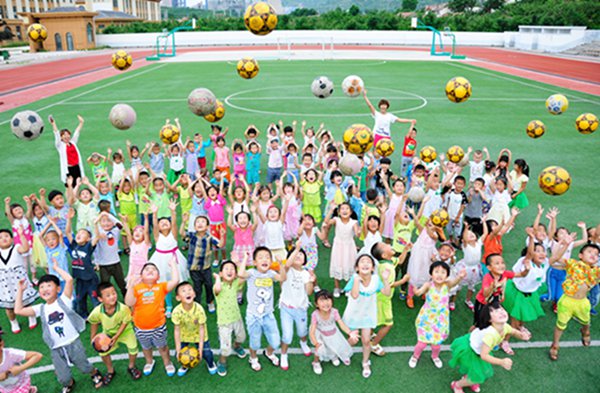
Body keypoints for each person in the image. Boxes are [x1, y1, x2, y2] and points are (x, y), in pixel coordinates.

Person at [15, 261, 104, 391]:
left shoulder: (64, 301)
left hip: (73, 342)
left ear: (58, 289)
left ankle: (94, 372)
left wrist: (56, 268)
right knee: (63, 377)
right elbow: (18, 310)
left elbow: (68, 280)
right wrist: (20, 291)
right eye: (42, 287)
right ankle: (69, 383)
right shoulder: (41, 308)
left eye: (49, 286)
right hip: (56, 348)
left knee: (84, 366)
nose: (45, 289)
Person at [448, 302, 531, 393]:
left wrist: (521, 335)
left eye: (501, 309)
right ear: (489, 319)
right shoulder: (490, 335)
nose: (501, 312)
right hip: (470, 351)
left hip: (478, 350)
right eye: (495, 311)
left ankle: (468, 378)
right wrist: (501, 362)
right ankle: (457, 385)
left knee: (477, 372)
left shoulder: (504, 326)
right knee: (478, 377)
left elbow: (513, 331)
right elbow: (484, 356)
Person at [125, 259, 179, 377]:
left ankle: (167, 362)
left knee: (163, 347)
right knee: (146, 347)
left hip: (158, 326)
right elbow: (129, 302)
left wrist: (173, 265)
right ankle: (149, 361)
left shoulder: (161, 287)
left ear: (158, 276)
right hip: (141, 328)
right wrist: (130, 286)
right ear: (141, 276)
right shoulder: (136, 288)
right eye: (147, 269)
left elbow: (175, 281)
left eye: (154, 269)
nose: (150, 270)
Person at [343, 254, 392, 378]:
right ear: (357, 268)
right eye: (362, 262)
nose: (365, 264)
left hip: (368, 315)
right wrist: (356, 281)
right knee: (353, 340)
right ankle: (343, 352)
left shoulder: (376, 279)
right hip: (354, 314)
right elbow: (354, 295)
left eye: (368, 262)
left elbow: (386, 293)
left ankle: (365, 362)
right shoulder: (354, 278)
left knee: (366, 341)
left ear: (372, 268)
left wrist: (386, 279)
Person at [409, 261, 466, 369]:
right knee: (421, 343)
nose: (439, 275)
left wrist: (460, 277)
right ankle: (415, 356)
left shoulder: (447, 285)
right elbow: (419, 292)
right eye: (436, 272)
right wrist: (415, 290)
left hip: (440, 320)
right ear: (431, 274)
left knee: (436, 345)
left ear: (447, 275)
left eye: (443, 272)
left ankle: (435, 356)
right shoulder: (428, 285)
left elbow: (454, 282)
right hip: (427, 319)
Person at [549, 243, 600, 361]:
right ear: (580, 255)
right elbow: (555, 259)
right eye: (590, 252)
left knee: (586, 321)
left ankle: (585, 331)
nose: (594, 255)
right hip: (567, 301)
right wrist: (566, 244)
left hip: (582, 302)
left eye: (597, 254)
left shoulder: (596, 271)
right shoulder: (573, 264)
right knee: (560, 325)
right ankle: (555, 345)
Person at [237, 247, 282, 371]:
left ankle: (269, 352)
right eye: (260, 257)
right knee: (255, 341)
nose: (264, 259)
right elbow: (240, 274)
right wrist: (245, 259)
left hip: (268, 314)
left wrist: (280, 264)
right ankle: (253, 358)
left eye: (267, 257)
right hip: (253, 316)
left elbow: (283, 278)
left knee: (276, 341)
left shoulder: (271, 274)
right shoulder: (251, 273)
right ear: (255, 262)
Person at [88, 282, 142, 384]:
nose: (113, 296)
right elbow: (93, 322)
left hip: (126, 332)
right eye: (108, 295)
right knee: (103, 352)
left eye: (114, 293)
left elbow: (125, 323)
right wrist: (93, 338)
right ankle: (110, 371)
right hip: (108, 334)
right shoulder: (97, 311)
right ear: (100, 299)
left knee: (133, 348)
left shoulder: (123, 308)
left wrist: (116, 336)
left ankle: (131, 367)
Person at [369, 242, 410, 356]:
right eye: (385, 246)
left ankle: (369, 335)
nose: (388, 244)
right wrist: (403, 280)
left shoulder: (389, 261)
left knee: (375, 320)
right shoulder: (386, 268)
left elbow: (400, 260)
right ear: (384, 255)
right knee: (388, 324)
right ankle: (374, 344)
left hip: (380, 298)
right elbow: (390, 285)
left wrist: (405, 249)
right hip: (383, 300)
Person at [149, 200, 188, 316]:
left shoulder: (173, 234)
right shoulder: (157, 236)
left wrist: (173, 212)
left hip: (174, 260)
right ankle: (169, 305)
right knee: (165, 283)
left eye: (167, 222)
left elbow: (175, 224)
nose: (165, 223)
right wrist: (155, 214)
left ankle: (184, 302)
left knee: (179, 280)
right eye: (162, 223)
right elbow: (154, 226)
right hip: (161, 260)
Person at [279, 246, 315, 370]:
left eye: (301, 254)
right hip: (286, 308)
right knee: (287, 335)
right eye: (296, 254)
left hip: (301, 309)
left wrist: (311, 280)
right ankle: (283, 355)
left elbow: (309, 292)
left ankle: (303, 342)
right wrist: (296, 248)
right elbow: (287, 264)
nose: (298, 255)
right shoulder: (287, 270)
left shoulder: (305, 273)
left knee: (302, 331)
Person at [172, 282, 217, 376]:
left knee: (207, 353)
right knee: (182, 354)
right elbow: (176, 330)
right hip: (184, 335)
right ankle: (185, 365)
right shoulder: (176, 311)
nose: (187, 292)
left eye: (190, 290)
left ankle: (210, 363)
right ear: (178, 298)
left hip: (198, 335)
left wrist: (200, 349)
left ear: (194, 294)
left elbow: (201, 329)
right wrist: (178, 348)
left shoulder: (199, 309)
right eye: (183, 291)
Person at [309, 290, 358, 375]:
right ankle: (316, 362)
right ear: (316, 304)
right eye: (322, 300)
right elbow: (312, 331)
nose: (326, 303)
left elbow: (341, 324)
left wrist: (350, 333)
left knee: (335, 344)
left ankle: (333, 356)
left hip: (333, 333)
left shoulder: (334, 312)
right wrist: (316, 343)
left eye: (328, 300)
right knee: (320, 350)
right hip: (320, 334)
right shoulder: (315, 315)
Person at [213, 259, 248, 377]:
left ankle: (236, 346)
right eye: (226, 269)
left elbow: (242, 275)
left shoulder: (235, 284)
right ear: (221, 273)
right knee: (225, 348)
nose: (230, 271)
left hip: (237, 318)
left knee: (241, 337)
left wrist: (244, 259)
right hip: (224, 323)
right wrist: (217, 278)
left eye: (232, 269)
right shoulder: (219, 286)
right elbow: (217, 290)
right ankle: (222, 361)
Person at [363, 89, 416, 166]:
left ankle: (383, 167)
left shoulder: (390, 116)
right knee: (376, 153)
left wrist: (410, 120)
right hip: (377, 135)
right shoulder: (377, 114)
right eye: (382, 105)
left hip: (386, 137)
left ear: (387, 106)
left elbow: (399, 119)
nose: (383, 106)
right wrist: (365, 96)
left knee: (385, 153)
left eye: (385, 105)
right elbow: (370, 106)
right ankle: (374, 165)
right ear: (380, 106)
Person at [0, 228, 38, 334]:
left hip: (19, 282)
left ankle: (31, 316)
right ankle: (13, 322)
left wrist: (21, 235)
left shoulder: (16, 248)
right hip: (6, 285)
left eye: (6, 236)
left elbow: (25, 248)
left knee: (26, 302)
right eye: (1, 237)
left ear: (12, 239)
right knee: (9, 307)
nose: (3, 239)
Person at [184, 215, 225, 314]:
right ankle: (197, 304)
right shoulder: (192, 235)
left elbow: (220, 245)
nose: (200, 223)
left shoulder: (210, 238)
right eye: (197, 222)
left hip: (206, 267)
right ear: (194, 226)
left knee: (209, 285)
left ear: (207, 227)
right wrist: (183, 222)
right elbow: (182, 234)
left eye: (203, 222)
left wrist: (222, 235)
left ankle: (210, 302)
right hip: (194, 268)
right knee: (197, 287)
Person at [65, 209, 99, 319]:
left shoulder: (88, 246)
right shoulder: (74, 246)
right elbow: (68, 233)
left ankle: (98, 316)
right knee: (80, 299)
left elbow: (97, 237)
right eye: (78, 233)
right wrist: (69, 219)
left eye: (83, 233)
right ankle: (84, 315)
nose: (79, 234)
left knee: (95, 298)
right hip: (79, 279)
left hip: (90, 279)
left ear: (88, 238)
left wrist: (95, 224)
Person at [325, 203, 360, 298]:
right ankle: (337, 287)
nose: (344, 210)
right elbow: (326, 222)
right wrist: (331, 210)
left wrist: (358, 232)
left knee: (349, 265)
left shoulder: (354, 222)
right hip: (338, 247)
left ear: (351, 212)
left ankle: (348, 288)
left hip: (349, 247)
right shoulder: (336, 220)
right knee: (337, 264)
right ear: (339, 212)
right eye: (342, 209)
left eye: (347, 209)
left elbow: (357, 234)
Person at [93, 212, 126, 297]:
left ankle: (126, 299)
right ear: (100, 223)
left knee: (122, 283)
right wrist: (96, 262)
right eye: (103, 221)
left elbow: (120, 225)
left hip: (116, 263)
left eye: (109, 221)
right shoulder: (98, 233)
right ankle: (106, 301)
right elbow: (95, 249)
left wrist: (108, 215)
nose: (107, 223)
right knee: (105, 286)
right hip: (103, 265)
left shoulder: (115, 231)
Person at [0, 328, 43, 393]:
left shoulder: (11, 354)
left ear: (1, 345)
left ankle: (27, 389)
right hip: (4, 388)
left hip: (21, 384)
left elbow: (37, 356)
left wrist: (20, 368)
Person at [50, 114, 86, 185]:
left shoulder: (73, 142)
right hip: (69, 169)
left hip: (76, 167)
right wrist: (53, 124)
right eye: (64, 135)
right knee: (69, 186)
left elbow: (77, 132)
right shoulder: (60, 145)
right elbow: (56, 133)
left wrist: (81, 122)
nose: (67, 136)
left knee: (77, 185)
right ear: (61, 137)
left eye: (68, 134)